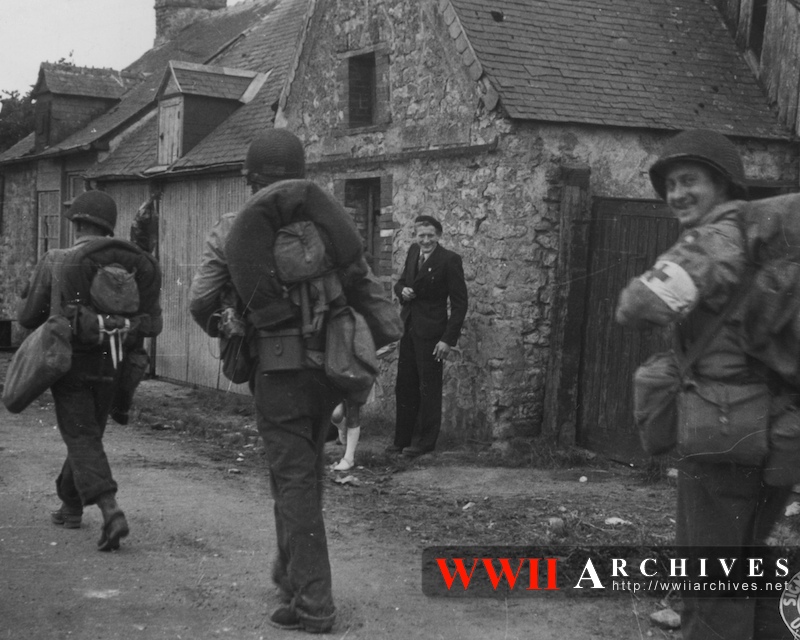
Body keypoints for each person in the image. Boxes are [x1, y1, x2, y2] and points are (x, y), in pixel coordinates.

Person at [191, 128, 400, 633]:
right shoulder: (332, 225)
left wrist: (231, 322)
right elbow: (365, 284)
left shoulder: (230, 229)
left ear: (252, 178)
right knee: (302, 472)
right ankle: (289, 574)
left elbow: (201, 303)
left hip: (278, 372)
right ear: (301, 174)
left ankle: (314, 602)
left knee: (294, 480)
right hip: (332, 368)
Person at [615, 129, 791, 640]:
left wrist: (640, 289)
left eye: (689, 180)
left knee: (708, 585)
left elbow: (641, 306)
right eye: (670, 184)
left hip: (721, 435)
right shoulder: (768, 240)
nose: (677, 195)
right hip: (776, 433)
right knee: (749, 570)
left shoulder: (718, 235)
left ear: (723, 184)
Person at [17, 190, 162, 551]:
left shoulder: (58, 258)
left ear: (77, 222)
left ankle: (110, 509)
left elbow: (27, 318)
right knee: (87, 434)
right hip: (116, 364)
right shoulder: (137, 262)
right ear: (108, 225)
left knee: (81, 436)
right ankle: (70, 504)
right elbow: (152, 325)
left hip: (71, 364)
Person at [391, 214, 468, 458]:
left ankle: (425, 442)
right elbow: (401, 282)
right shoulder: (413, 252)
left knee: (428, 388)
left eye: (430, 236)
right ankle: (401, 440)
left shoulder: (449, 260)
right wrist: (402, 291)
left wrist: (447, 339)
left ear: (439, 236)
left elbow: (459, 304)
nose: (425, 240)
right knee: (404, 386)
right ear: (415, 236)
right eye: (421, 235)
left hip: (433, 334)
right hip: (409, 329)